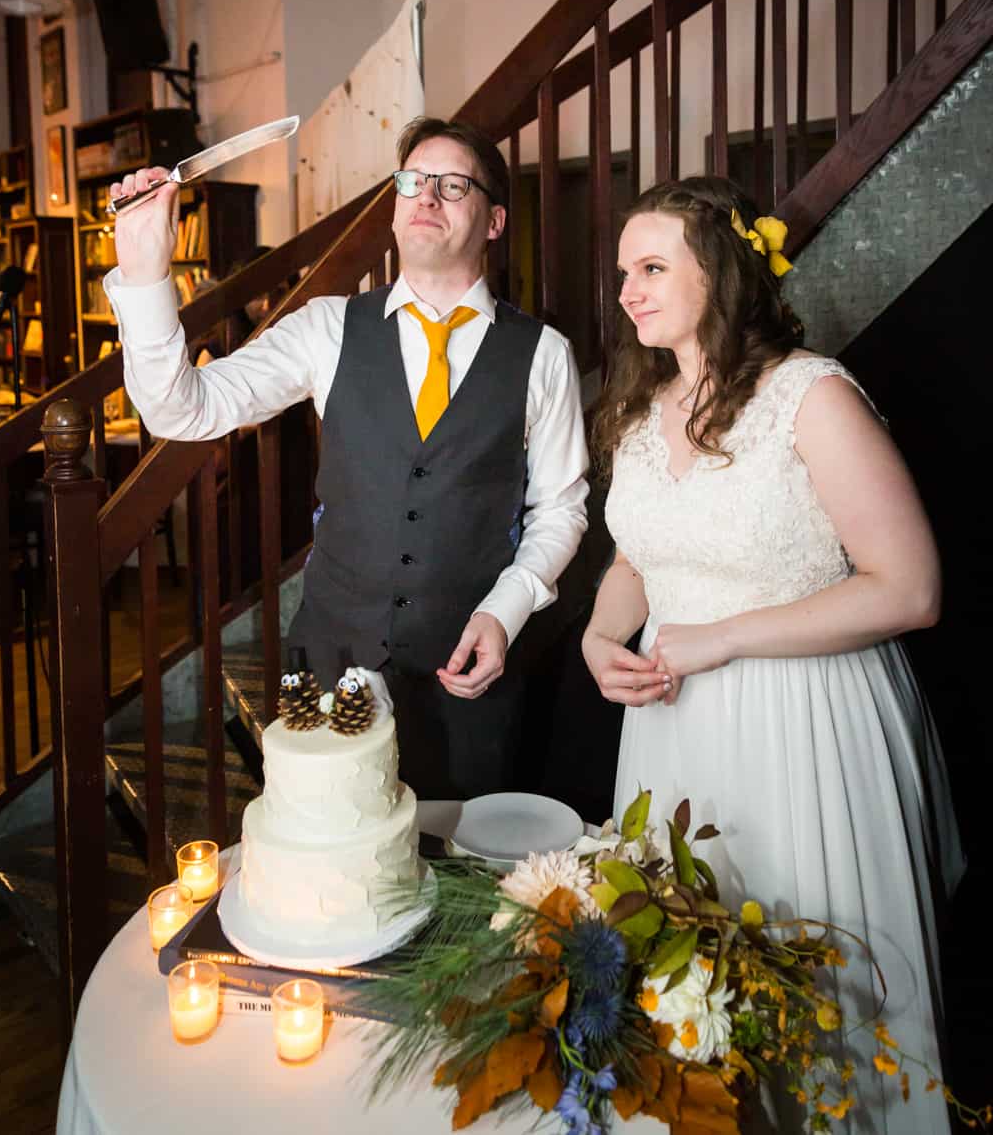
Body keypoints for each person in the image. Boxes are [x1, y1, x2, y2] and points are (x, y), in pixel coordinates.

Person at [582, 176, 963, 1133]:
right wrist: (597, 634)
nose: (629, 289)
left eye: (654, 265)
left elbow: (910, 589)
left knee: (823, 990)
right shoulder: (639, 414)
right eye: (625, 271)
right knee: (693, 996)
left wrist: (725, 638)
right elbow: (639, 556)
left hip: (805, 725)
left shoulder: (811, 395)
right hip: (675, 737)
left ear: (721, 272)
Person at [104, 116, 589, 801]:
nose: (426, 197)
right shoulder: (327, 327)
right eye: (413, 182)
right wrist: (145, 269)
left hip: (470, 673)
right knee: (331, 865)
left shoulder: (543, 355)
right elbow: (181, 410)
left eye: (454, 187)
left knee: (464, 885)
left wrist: (503, 612)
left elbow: (561, 509)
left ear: (494, 221)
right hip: (330, 662)